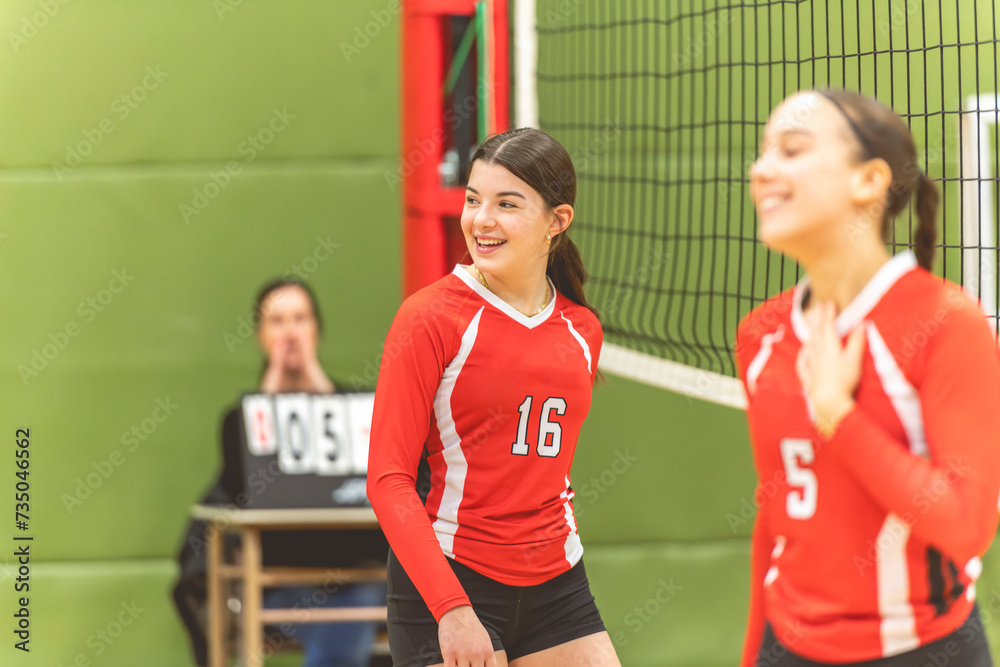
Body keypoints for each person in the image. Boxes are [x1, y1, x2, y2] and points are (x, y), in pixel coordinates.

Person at [736, 88, 1000, 667]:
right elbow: (776, 514)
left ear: (869, 181)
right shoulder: (761, 334)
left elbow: (967, 525)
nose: (761, 170)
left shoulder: (947, 323)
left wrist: (840, 418)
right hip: (788, 646)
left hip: (920, 649)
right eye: (762, 153)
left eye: (792, 149)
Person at [367, 128, 621, 667]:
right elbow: (388, 481)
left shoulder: (582, 330)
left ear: (557, 221)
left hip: (558, 580)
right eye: (473, 199)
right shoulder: (430, 317)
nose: (481, 220)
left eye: (507, 204)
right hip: (453, 574)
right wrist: (451, 609)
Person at [173, 278, 388, 667]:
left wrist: (317, 386)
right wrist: (267, 400)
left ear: (316, 330)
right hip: (278, 583)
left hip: (356, 577)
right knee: (339, 627)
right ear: (259, 336)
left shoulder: (359, 413)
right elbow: (242, 489)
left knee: (346, 618)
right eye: (277, 322)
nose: (290, 333)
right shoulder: (239, 421)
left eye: (300, 319)